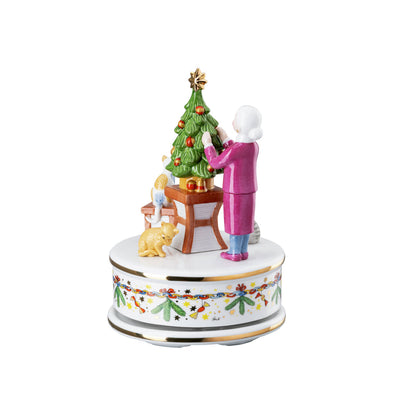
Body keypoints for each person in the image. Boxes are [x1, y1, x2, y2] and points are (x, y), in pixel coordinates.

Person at [202, 105, 262, 261]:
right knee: (245, 222)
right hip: (249, 190)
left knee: (234, 222)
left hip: (234, 191)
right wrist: (225, 138)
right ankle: (243, 251)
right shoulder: (253, 146)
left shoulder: (237, 149)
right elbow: (234, 151)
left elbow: (216, 162)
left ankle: (234, 252)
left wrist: (208, 145)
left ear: (241, 124)